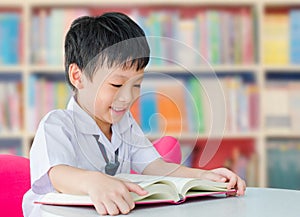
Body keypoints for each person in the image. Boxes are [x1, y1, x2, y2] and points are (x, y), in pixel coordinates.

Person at [22, 12, 246, 216]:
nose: (128, 97)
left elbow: (155, 167)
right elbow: (58, 173)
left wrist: (203, 177)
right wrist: (94, 182)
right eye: (117, 85)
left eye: (136, 85)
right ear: (77, 76)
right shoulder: (56, 125)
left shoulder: (124, 124)